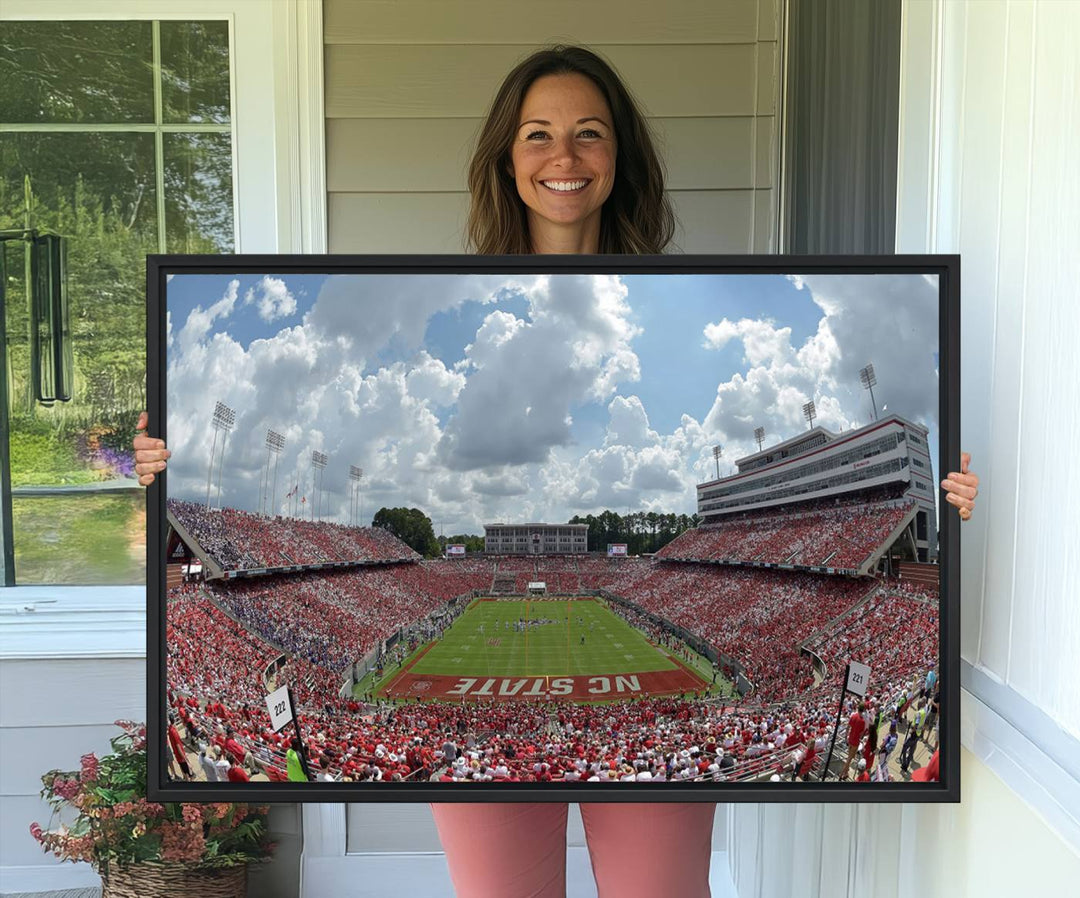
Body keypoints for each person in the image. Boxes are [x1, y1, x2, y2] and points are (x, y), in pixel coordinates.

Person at [135, 42, 980, 898]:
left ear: (621, 158)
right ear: (507, 159)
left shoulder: (682, 297)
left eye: (589, 133)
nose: (563, 157)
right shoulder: (456, 295)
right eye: (537, 134)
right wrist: (161, 464)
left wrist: (939, 501)